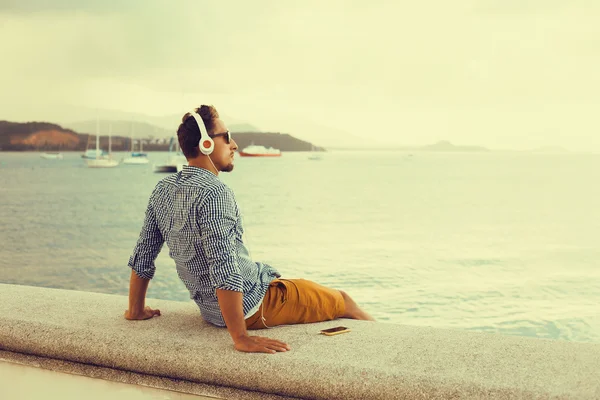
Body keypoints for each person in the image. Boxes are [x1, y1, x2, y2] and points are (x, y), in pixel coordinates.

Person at [125, 105, 374, 354]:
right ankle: (390, 345)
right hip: (253, 307)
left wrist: (136, 310)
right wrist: (241, 337)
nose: (234, 145)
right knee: (343, 300)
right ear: (207, 145)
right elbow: (223, 266)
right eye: (226, 136)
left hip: (212, 311)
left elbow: (144, 252)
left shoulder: (163, 188)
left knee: (288, 282)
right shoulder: (214, 193)